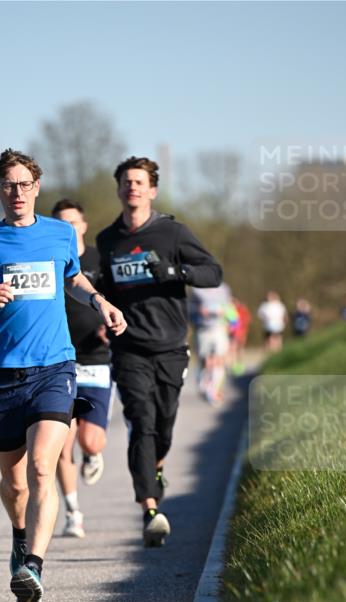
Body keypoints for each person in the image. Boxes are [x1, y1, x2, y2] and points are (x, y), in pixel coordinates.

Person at [0, 149, 126, 602]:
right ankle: (19, 536)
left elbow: (73, 279)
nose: (17, 192)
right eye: (9, 185)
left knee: (44, 466)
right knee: (16, 484)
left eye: (25, 184)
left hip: (54, 367)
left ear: (37, 188)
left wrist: (99, 301)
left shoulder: (60, 234)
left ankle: (34, 566)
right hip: (0, 373)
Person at [96, 156, 222, 546]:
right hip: (128, 347)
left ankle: (157, 468)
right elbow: (104, 289)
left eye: (139, 182)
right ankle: (150, 508)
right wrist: (101, 312)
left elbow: (214, 273)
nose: (132, 187)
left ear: (151, 190)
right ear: (119, 190)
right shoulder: (107, 240)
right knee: (142, 421)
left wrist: (177, 272)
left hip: (170, 346)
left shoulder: (173, 233)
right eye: (126, 182)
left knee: (164, 425)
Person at [52, 199, 112, 539]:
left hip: (97, 358)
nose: (68, 228)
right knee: (63, 444)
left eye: (73, 222)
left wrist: (109, 326)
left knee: (90, 441)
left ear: (84, 226)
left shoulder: (98, 260)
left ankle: (92, 455)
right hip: (60, 361)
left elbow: (116, 299)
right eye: (61, 223)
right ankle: (73, 512)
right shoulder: (49, 260)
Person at [188, 282, 232, 406]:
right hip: (203, 329)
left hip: (220, 327)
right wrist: (199, 311)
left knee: (219, 359)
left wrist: (227, 315)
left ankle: (214, 390)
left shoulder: (224, 288)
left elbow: (229, 306)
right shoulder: (197, 290)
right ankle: (204, 384)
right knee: (207, 361)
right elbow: (189, 310)